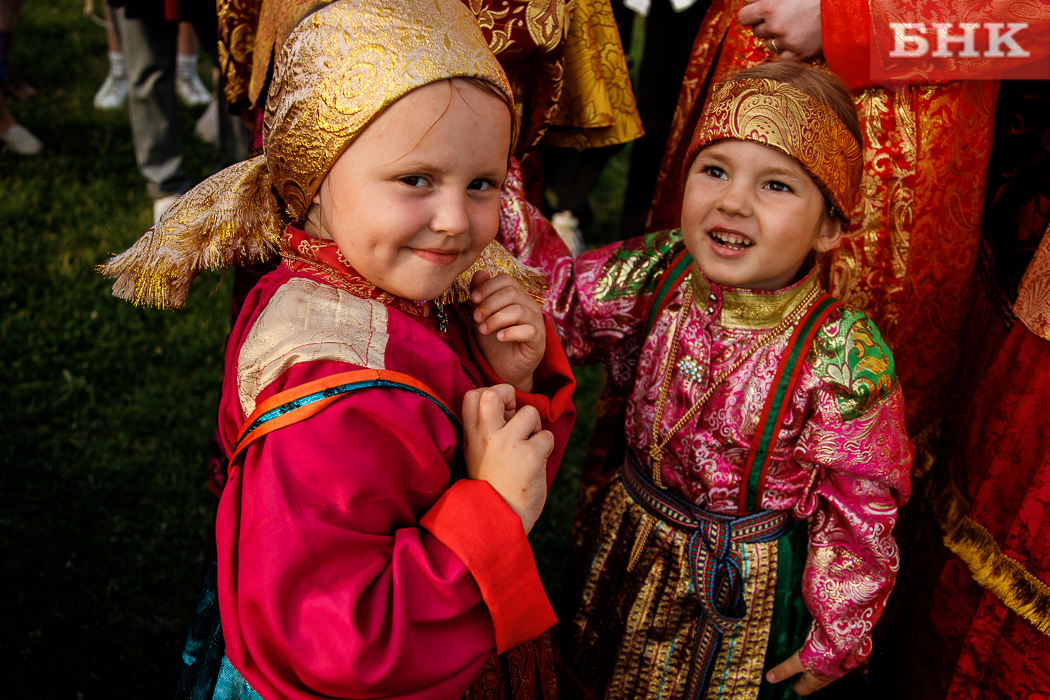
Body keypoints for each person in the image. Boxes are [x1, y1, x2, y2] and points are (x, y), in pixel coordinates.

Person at [99, 0, 576, 697]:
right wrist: (493, 509)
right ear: (314, 181)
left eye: (482, 184)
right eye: (416, 180)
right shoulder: (328, 392)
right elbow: (345, 644)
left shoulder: (401, 286)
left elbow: (470, 444)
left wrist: (508, 377)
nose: (455, 220)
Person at [491, 62, 913, 698]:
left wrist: (836, 636)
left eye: (776, 185)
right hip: (629, 543)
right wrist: (490, 181)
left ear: (829, 227)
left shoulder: (843, 354)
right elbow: (559, 299)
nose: (733, 202)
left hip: (743, 593)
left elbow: (859, 509)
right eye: (714, 170)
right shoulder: (660, 268)